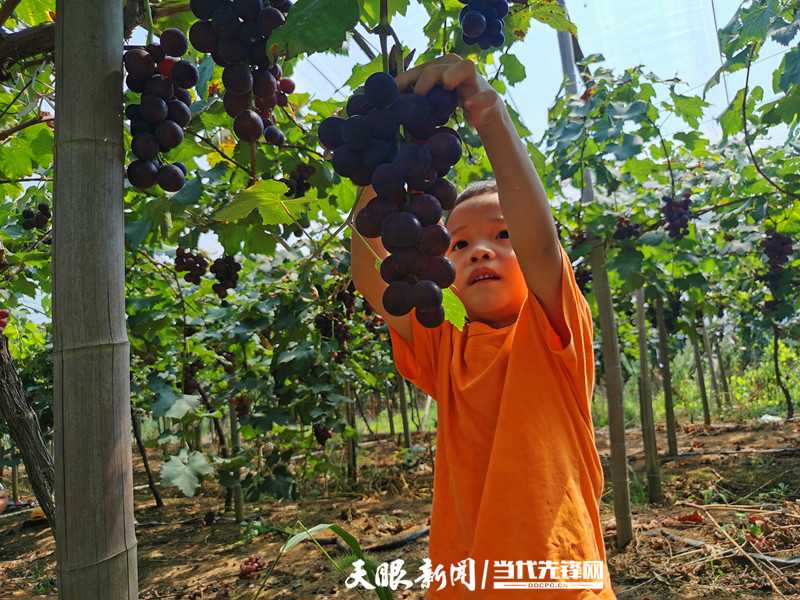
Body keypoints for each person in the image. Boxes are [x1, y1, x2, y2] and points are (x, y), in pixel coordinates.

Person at [350, 54, 615, 599]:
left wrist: (488, 112)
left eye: (502, 234)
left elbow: (541, 244)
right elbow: (372, 272)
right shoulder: (444, 345)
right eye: (459, 243)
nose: (480, 251)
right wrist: (382, 151)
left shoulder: (553, 334)